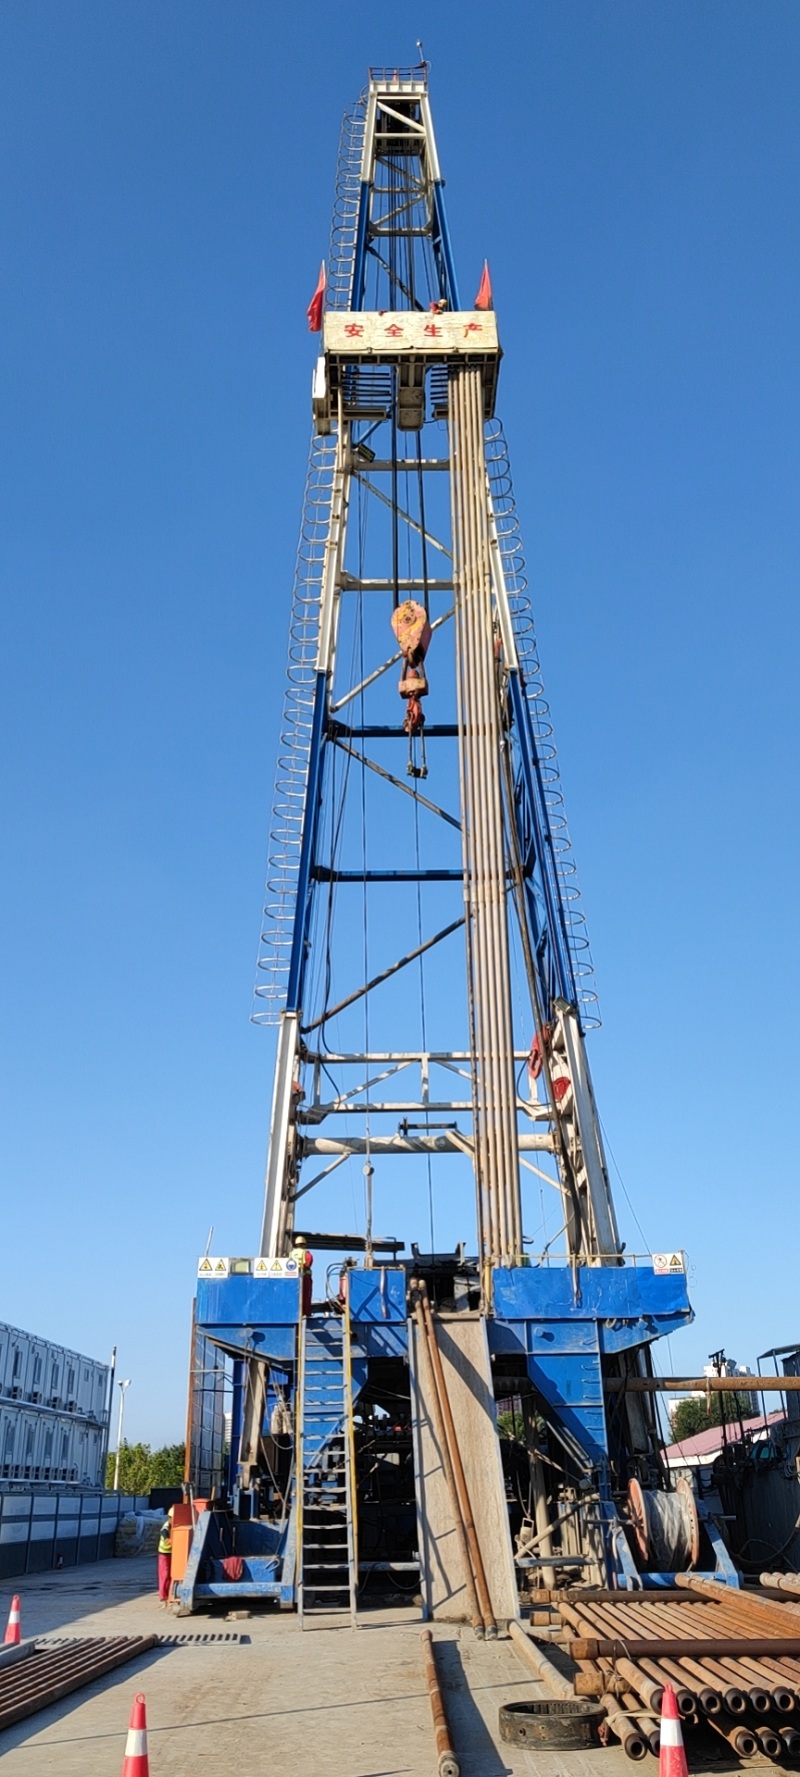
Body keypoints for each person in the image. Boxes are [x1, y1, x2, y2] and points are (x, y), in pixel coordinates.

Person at [157, 1506, 173, 1606]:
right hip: (164, 1554)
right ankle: (163, 1596)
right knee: (165, 1574)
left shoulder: (173, 1527)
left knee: (171, 1574)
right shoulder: (165, 1528)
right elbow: (167, 1540)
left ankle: (169, 1594)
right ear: (169, 1518)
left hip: (171, 1553)